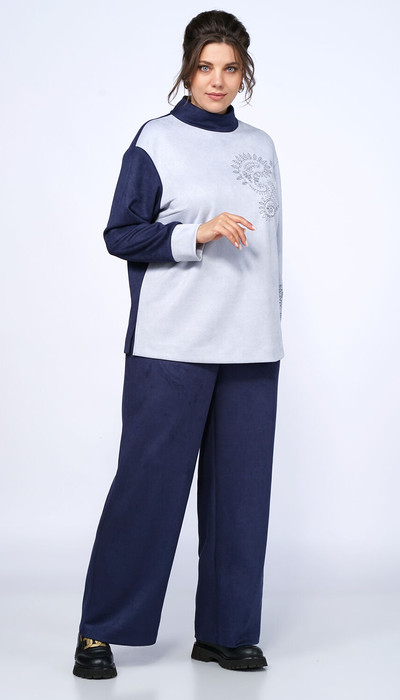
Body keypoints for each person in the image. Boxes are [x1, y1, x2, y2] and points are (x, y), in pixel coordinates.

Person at [73, 9, 284, 679]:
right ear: (187, 70)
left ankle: (226, 633)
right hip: (172, 343)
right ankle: (100, 630)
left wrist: (273, 323)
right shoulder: (157, 140)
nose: (217, 80)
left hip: (251, 346)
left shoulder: (262, 146)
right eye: (205, 67)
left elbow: (273, 253)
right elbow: (121, 233)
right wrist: (197, 232)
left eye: (230, 69)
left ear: (244, 74)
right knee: (148, 487)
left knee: (241, 501)